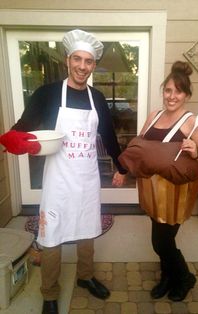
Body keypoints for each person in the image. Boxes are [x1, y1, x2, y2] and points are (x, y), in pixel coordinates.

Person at [0, 29, 126, 314]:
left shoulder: (98, 97)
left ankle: (85, 276)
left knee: (87, 229)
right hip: (58, 179)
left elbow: (108, 135)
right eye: (77, 59)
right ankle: (49, 293)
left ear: (94, 65)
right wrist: (11, 140)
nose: (83, 66)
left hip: (86, 178)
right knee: (52, 234)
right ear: (68, 60)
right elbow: (25, 125)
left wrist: (121, 167)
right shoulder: (47, 94)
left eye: (89, 61)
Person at [137, 61, 198, 302]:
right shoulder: (154, 116)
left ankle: (184, 277)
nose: (172, 96)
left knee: (161, 242)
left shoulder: (192, 122)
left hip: (176, 193)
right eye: (168, 90)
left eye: (178, 91)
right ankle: (167, 276)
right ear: (163, 91)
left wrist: (195, 152)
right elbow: (141, 145)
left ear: (186, 95)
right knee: (161, 238)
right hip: (153, 190)